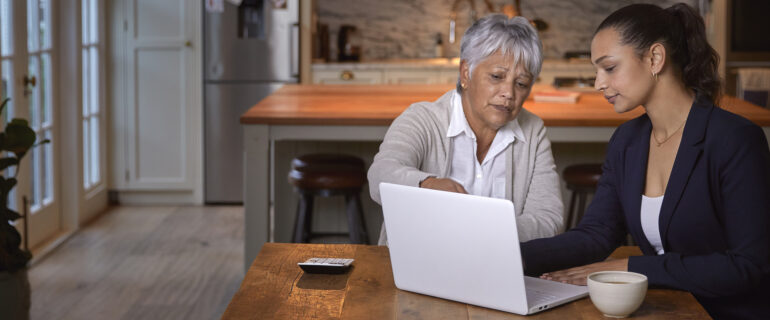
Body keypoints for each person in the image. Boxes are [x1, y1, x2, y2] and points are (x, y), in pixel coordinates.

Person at [520, 3, 770, 319]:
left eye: (609, 68)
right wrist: (512, 256)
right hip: (665, 309)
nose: (598, 83)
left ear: (654, 58)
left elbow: (748, 265)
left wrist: (632, 267)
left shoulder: (735, 139)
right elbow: (595, 235)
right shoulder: (627, 141)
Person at [368, 14, 563, 245]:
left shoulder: (533, 131)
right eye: (497, 77)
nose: (509, 93)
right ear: (465, 74)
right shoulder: (422, 119)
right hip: (416, 269)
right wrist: (427, 184)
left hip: (496, 271)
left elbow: (549, 219)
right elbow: (380, 174)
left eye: (521, 84)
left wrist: (480, 229)